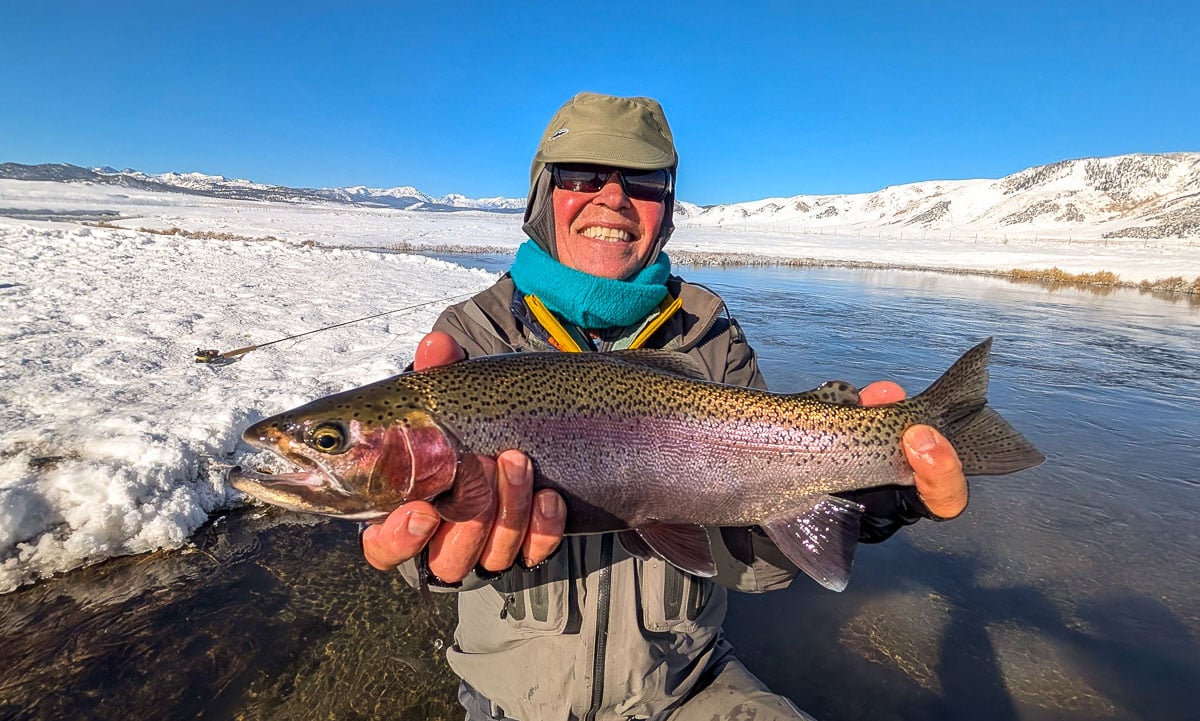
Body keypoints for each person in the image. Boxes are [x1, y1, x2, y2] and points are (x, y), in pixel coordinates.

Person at [362, 92, 969, 721]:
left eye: (644, 183)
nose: (613, 198)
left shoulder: (710, 337)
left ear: (667, 208)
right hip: (510, 699)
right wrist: (423, 559)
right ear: (544, 196)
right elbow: (405, 531)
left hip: (686, 684)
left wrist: (852, 504)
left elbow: (754, 569)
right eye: (582, 175)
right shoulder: (469, 341)